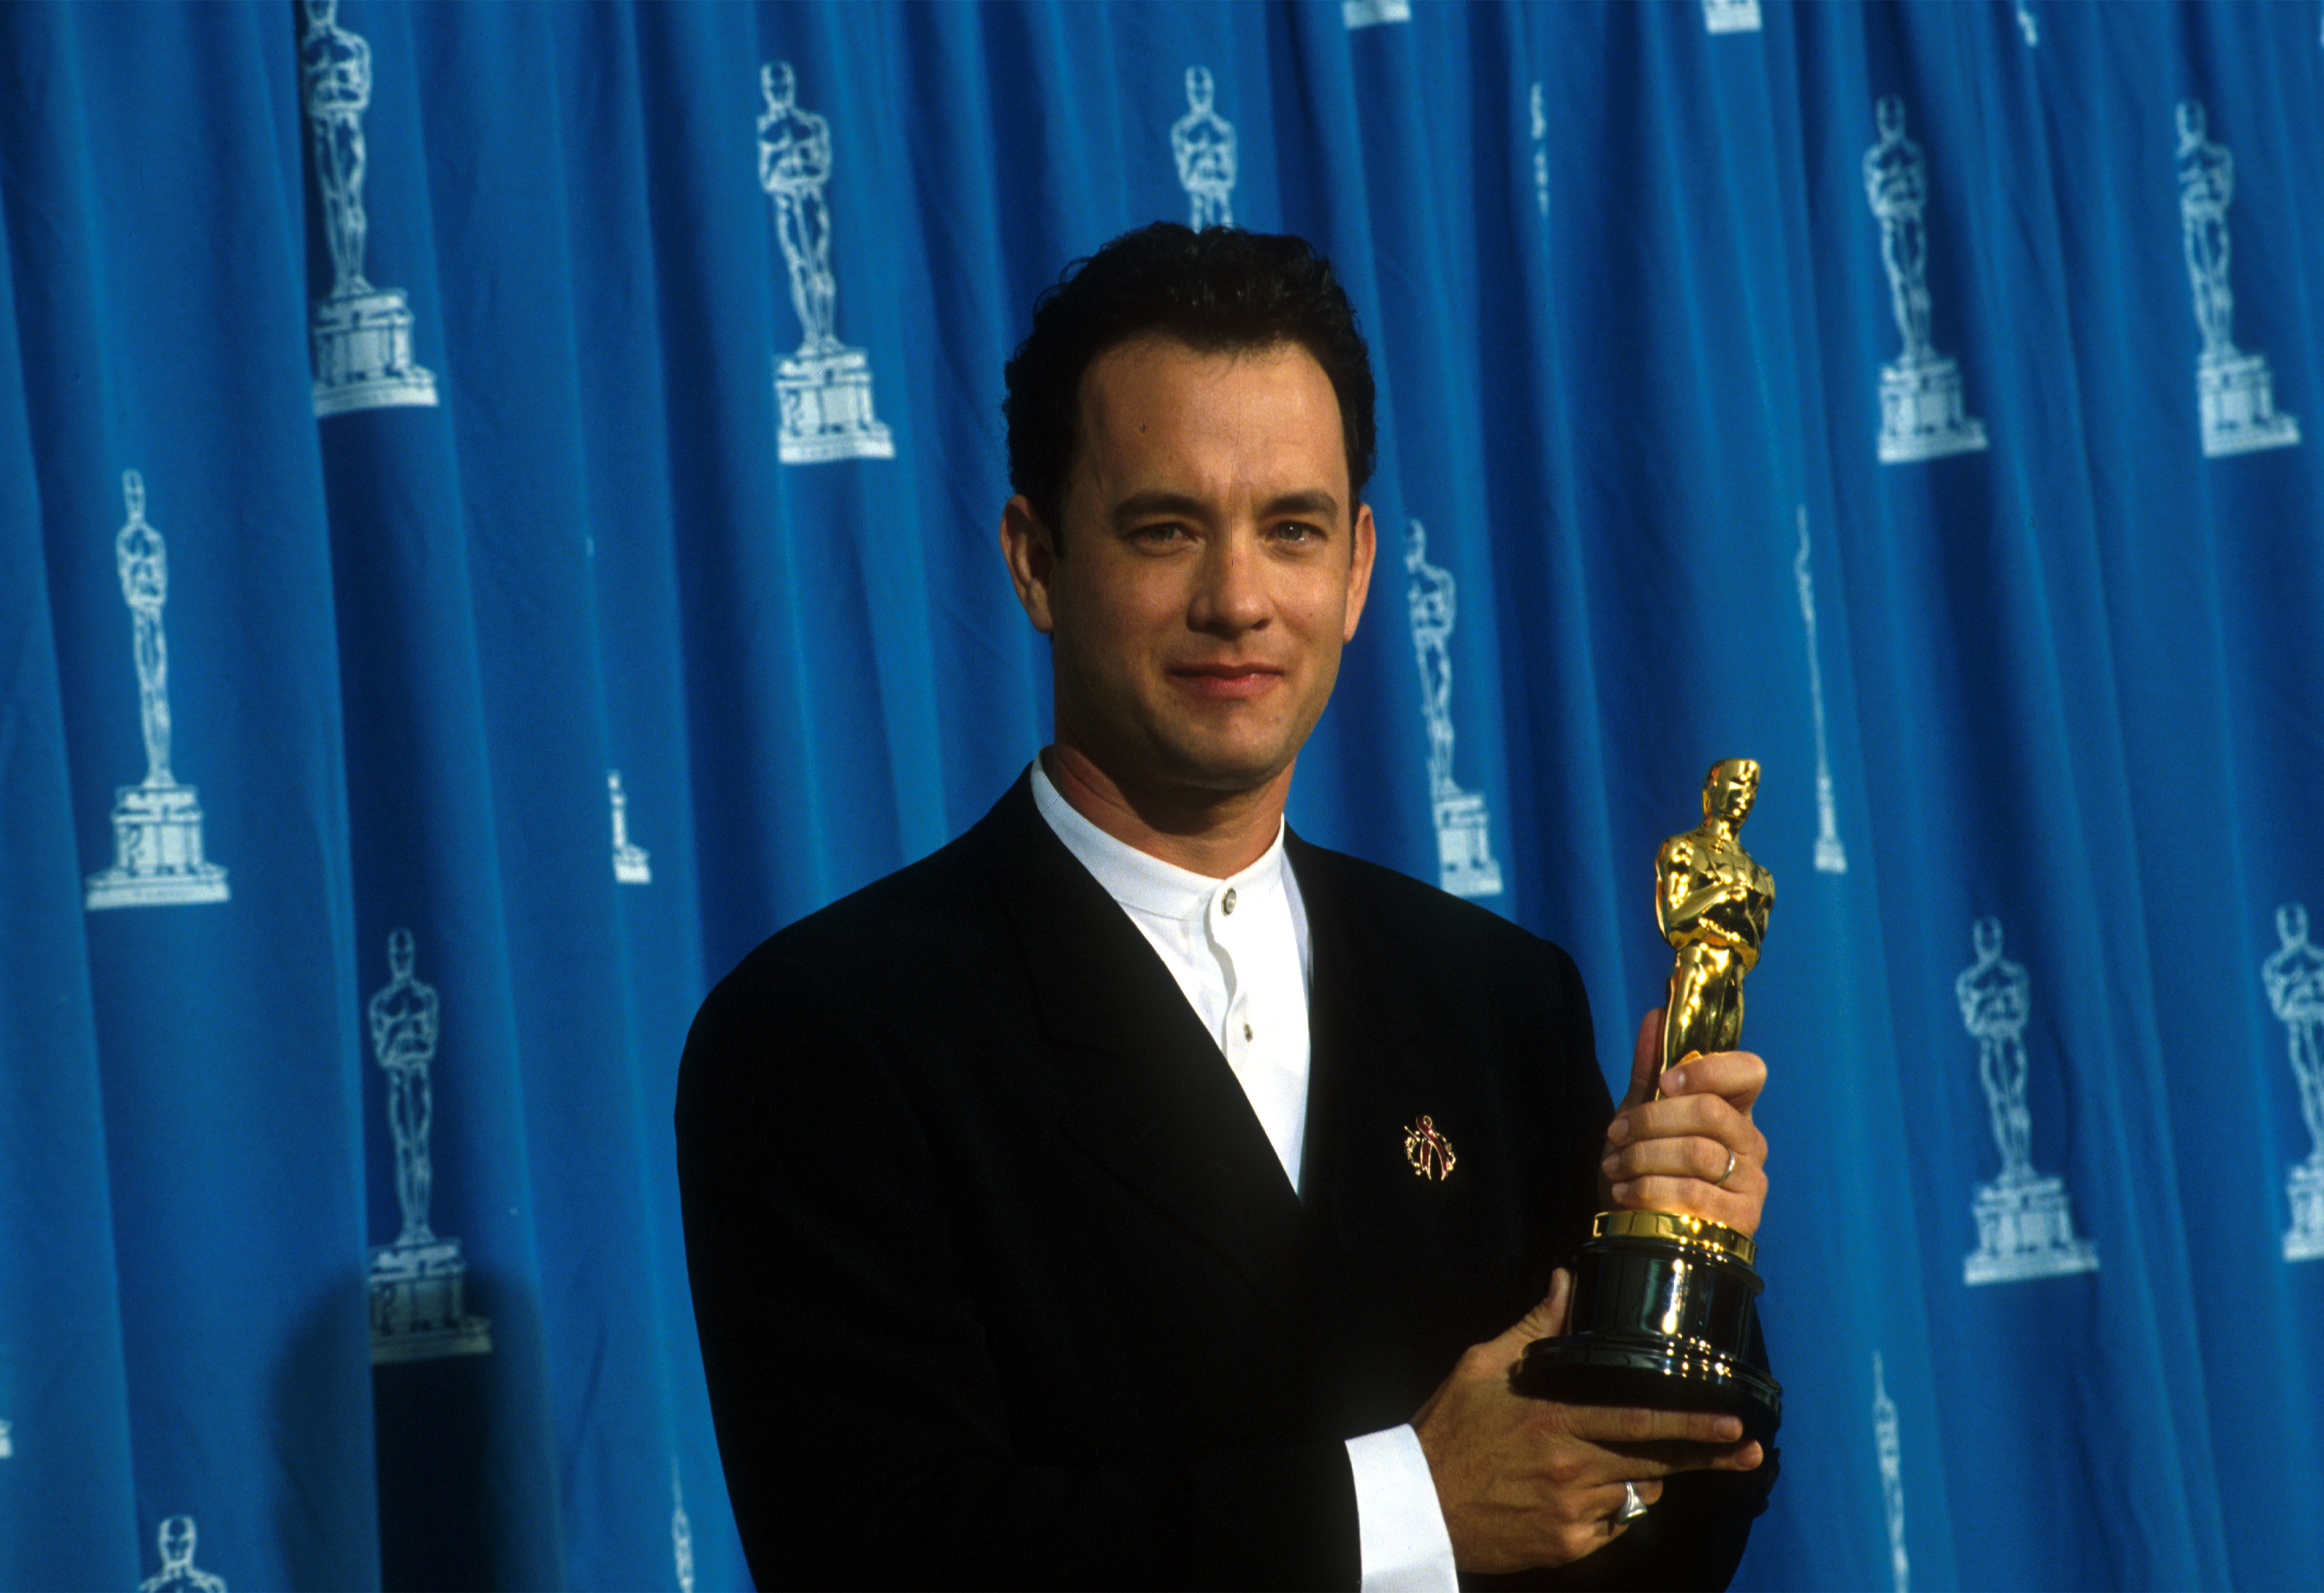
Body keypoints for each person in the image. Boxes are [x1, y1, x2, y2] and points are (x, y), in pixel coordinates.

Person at [677, 222, 1775, 1591]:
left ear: (1362, 569)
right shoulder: (826, 1032)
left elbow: (1657, 1550)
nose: (1238, 599)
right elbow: (890, 1555)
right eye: (1165, 529)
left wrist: (1685, 1272)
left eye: (1292, 529)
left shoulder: (1496, 997)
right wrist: (1412, 1506)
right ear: (1034, 559)